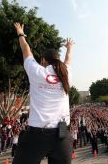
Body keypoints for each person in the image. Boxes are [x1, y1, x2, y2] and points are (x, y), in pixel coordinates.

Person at [12, 22, 74, 164]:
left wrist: (20, 33)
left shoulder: (37, 72)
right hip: (62, 135)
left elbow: (26, 50)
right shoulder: (66, 73)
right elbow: (69, 59)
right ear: (58, 60)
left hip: (37, 135)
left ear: (43, 60)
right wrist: (69, 47)